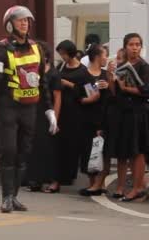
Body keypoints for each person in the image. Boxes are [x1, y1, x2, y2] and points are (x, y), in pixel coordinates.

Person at [0, 5, 56, 213]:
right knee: (9, 151)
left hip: (30, 109)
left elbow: (42, 82)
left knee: (23, 154)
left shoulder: (38, 48)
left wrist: (49, 109)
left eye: (27, 20)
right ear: (10, 24)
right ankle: (6, 197)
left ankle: (15, 196)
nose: (24, 23)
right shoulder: (0, 48)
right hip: (7, 108)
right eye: (20, 20)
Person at [107, 33, 149, 202]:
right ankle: (120, 187)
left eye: (137, 44)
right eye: (131, 44)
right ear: (125, 46)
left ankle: (137, 187)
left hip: (136, 112)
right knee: (121, 152)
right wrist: (110, 77)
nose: (134, 47)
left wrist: (127, 88)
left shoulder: (144, 67)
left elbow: (147, 92)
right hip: (121, 112)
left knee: (137, 151)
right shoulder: (121, 66)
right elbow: (113, 92)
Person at [24, 42, 62, 192]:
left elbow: (57, 97)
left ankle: (54, 181)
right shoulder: (34, 71)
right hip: (34, 113)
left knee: (50, 149)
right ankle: (36, 180)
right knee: (35, 148)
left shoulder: (53, 73)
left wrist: (55, 120)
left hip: (49, 113)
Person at [52, 40, 88, 192]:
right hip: (62, 108)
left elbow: (87, 91)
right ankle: (61, 174)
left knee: (73, 143)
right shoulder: (61, 66)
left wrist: (69, 84)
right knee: (61, 143)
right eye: (60, 53)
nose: (62, 56)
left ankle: (70, 174)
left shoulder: (82, 70)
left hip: (76, 110)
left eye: (64, 53)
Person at [78, 44, 111, 196]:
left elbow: (114, 97)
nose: (106, 58)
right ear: (97, 56)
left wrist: (110, 86)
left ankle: (99, 183)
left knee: (103, 152)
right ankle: (93, 183)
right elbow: (79, 99)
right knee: (89, 152)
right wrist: (92, 96)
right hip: (87, 119)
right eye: (105, 55)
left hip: (105, 118)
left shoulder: (106, 75)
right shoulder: (84, 75)